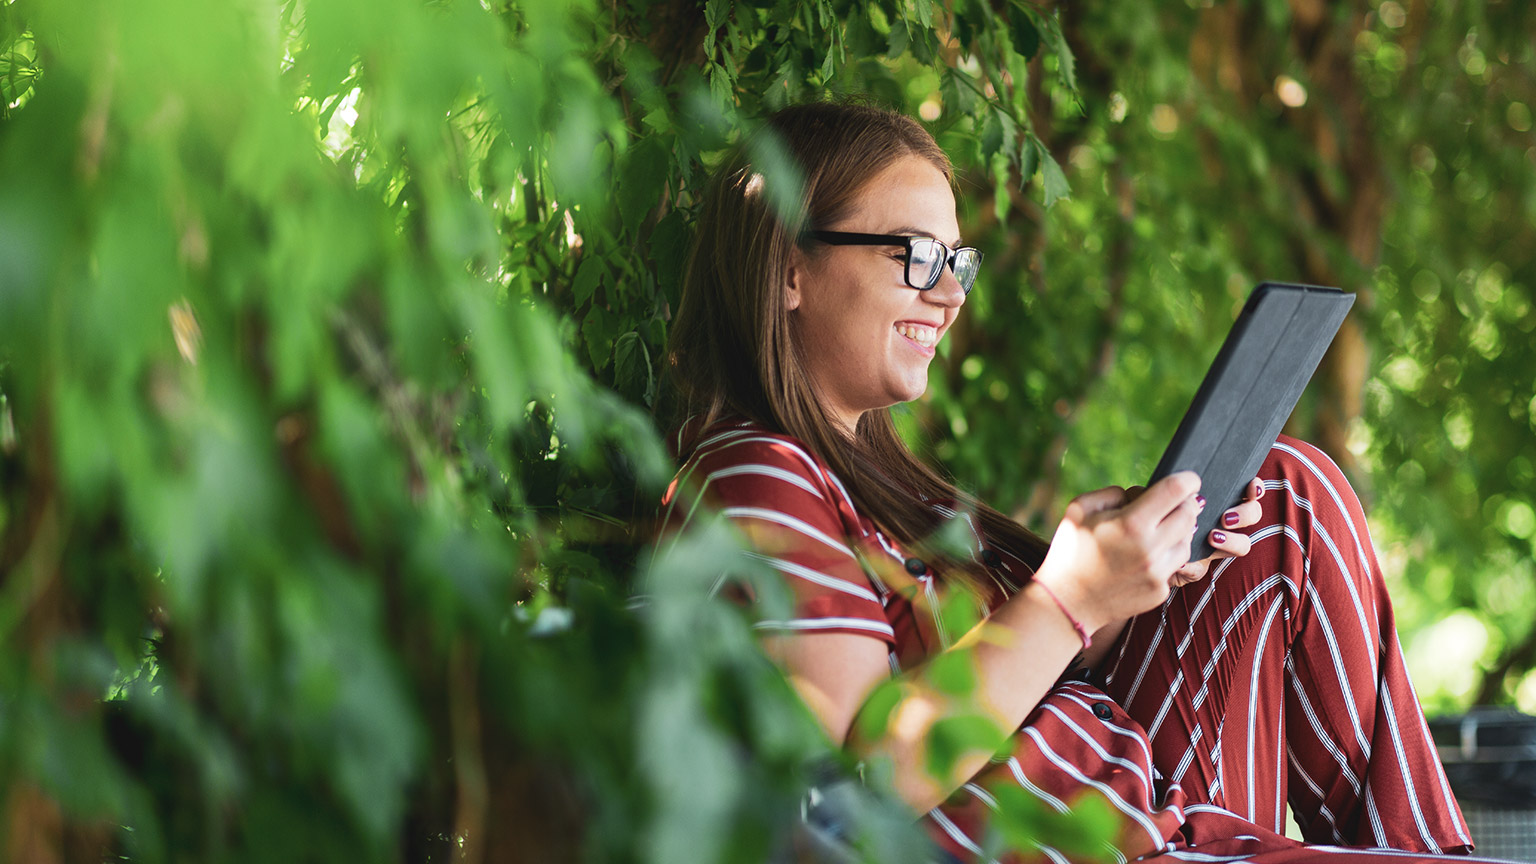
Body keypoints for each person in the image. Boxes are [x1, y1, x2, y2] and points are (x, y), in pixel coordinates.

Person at [658, 101, 1497, 863]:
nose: (950, 295)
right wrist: (1069, 599)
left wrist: (1134, 571)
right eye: (916, 256)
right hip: (1103, 842)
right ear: (790, 270)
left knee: (1281, 492)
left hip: (1143, 811)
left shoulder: (885, 484)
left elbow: (1024, 679)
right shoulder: (757, 474)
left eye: (958, 260)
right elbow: (839, 802)